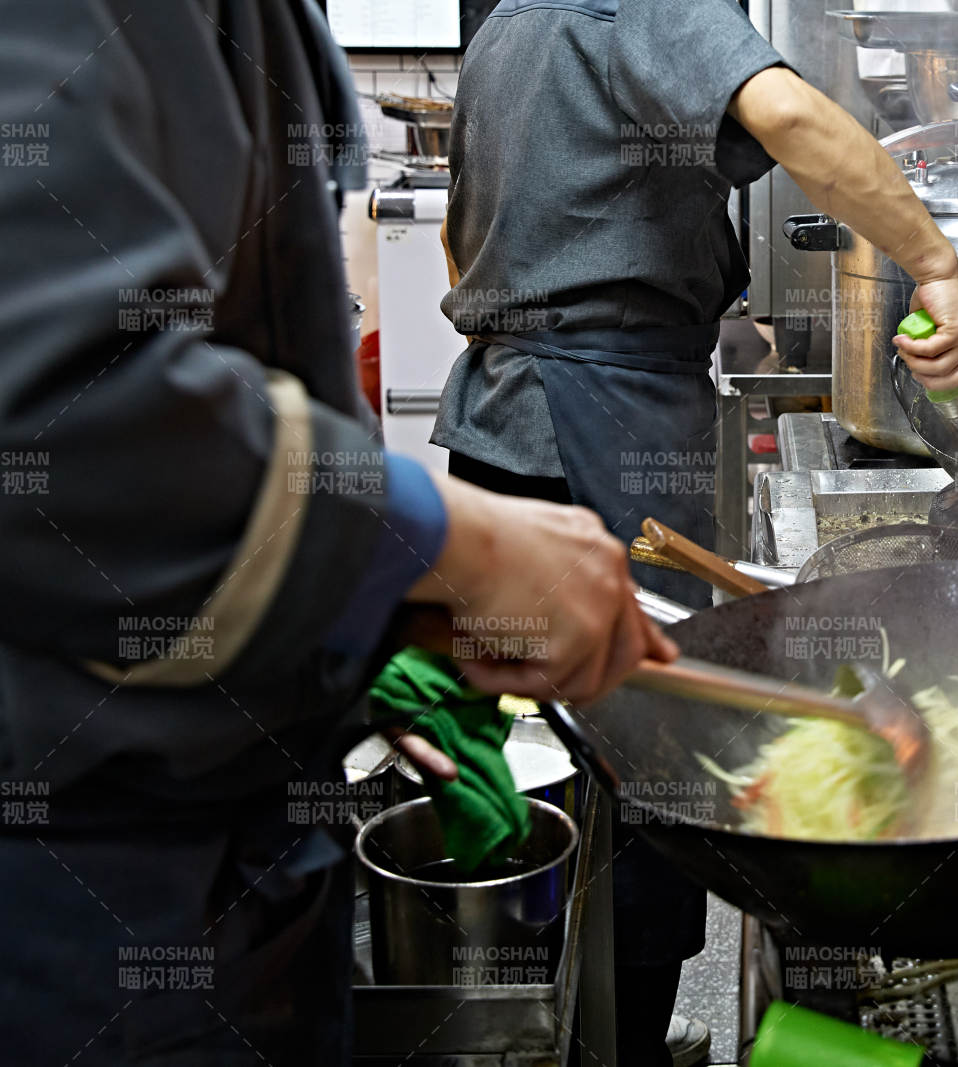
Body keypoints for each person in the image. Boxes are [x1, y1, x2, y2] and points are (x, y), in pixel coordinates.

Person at [0, 2, 667, 1063]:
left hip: (227, 852)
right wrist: (449, 537)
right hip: (79, 893)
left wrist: (359, 622)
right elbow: (55, 413)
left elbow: (232, 368)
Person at [433, 1, 958, 1062]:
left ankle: (552, 1028)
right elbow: (790, 113)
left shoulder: (509, 21)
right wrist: (937, 266)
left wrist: (676, 297)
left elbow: (480, 241)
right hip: (602, 433)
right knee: (652, 756)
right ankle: (630, 1044)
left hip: (500, 425)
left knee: (532, 758)